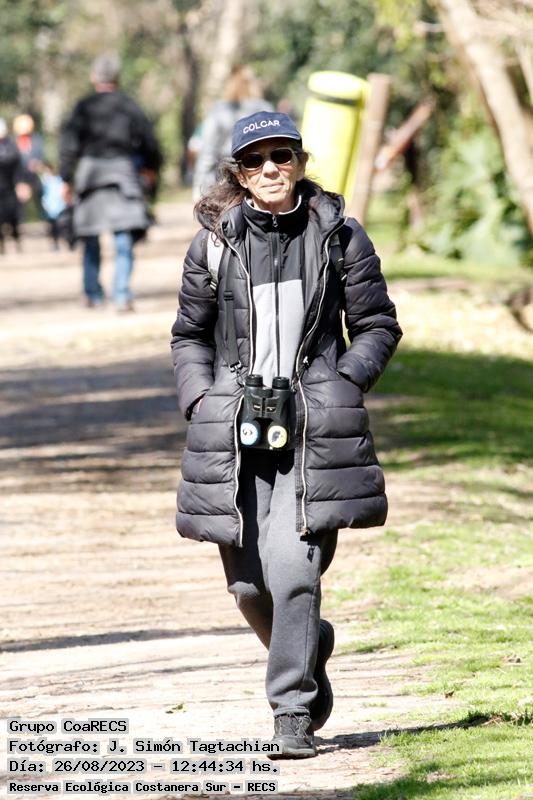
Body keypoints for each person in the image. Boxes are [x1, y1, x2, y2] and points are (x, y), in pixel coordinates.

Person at [170, 111, 402, 758]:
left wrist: (341, 385)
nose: (270, 169)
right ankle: (307, 646)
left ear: (299, 162)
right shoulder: (212, 246)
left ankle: (292, 714)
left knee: (294, 571)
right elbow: (189, 335)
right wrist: (201, 399)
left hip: (311, 435)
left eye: (282, 156)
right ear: (239, 175)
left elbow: (378, 325)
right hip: (233, 435)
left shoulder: (339, 237)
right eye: (255, 160)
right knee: (248, 587)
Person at [59, 53, 162, 311]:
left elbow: (68, 144)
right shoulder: (129, 105)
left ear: (94, 77)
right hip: (122, 172)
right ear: (117, 78)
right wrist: (151, 168)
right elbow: (149, 141)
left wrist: (66, 178)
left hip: (89, 173)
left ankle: (92, 293)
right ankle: (121, 294)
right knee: (123, 234)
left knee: (89, 234)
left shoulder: (83, 106)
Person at [192, 64, 272, 200]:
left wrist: (198, 186)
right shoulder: (265, 109)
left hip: (226, 177)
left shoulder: (219, 110)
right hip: (257, 172)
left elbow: (208, 151)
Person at [0, 118, 28, 254]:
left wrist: (20, 184)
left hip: (10, 187)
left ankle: (17, 240)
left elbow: (18, 167)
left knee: (13, 215)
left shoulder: (11, 146)